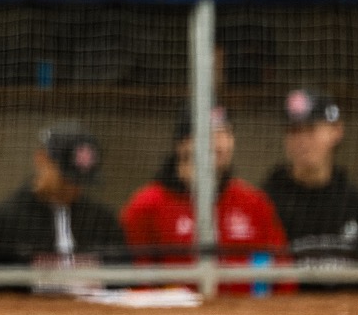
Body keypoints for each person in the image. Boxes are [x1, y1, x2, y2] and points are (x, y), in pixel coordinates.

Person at [121, 108, 288, 290]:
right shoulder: (148, 205)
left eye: (225, 132)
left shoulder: (254, 202)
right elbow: (135, 279)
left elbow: (283, 274)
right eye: (207, 133)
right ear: (182, 143)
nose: (219, 143)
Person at [259, 89, 358, 265]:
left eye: (311, 129)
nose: (302, 141)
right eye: (294, 131)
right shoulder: (266, 203)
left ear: (336, 130)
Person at [0, 122, 127, 266]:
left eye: (81, 181)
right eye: (67, 178)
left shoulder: (101, 220)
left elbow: (121, 274)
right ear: (41, 159)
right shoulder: (4, 219)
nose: (73, 187)